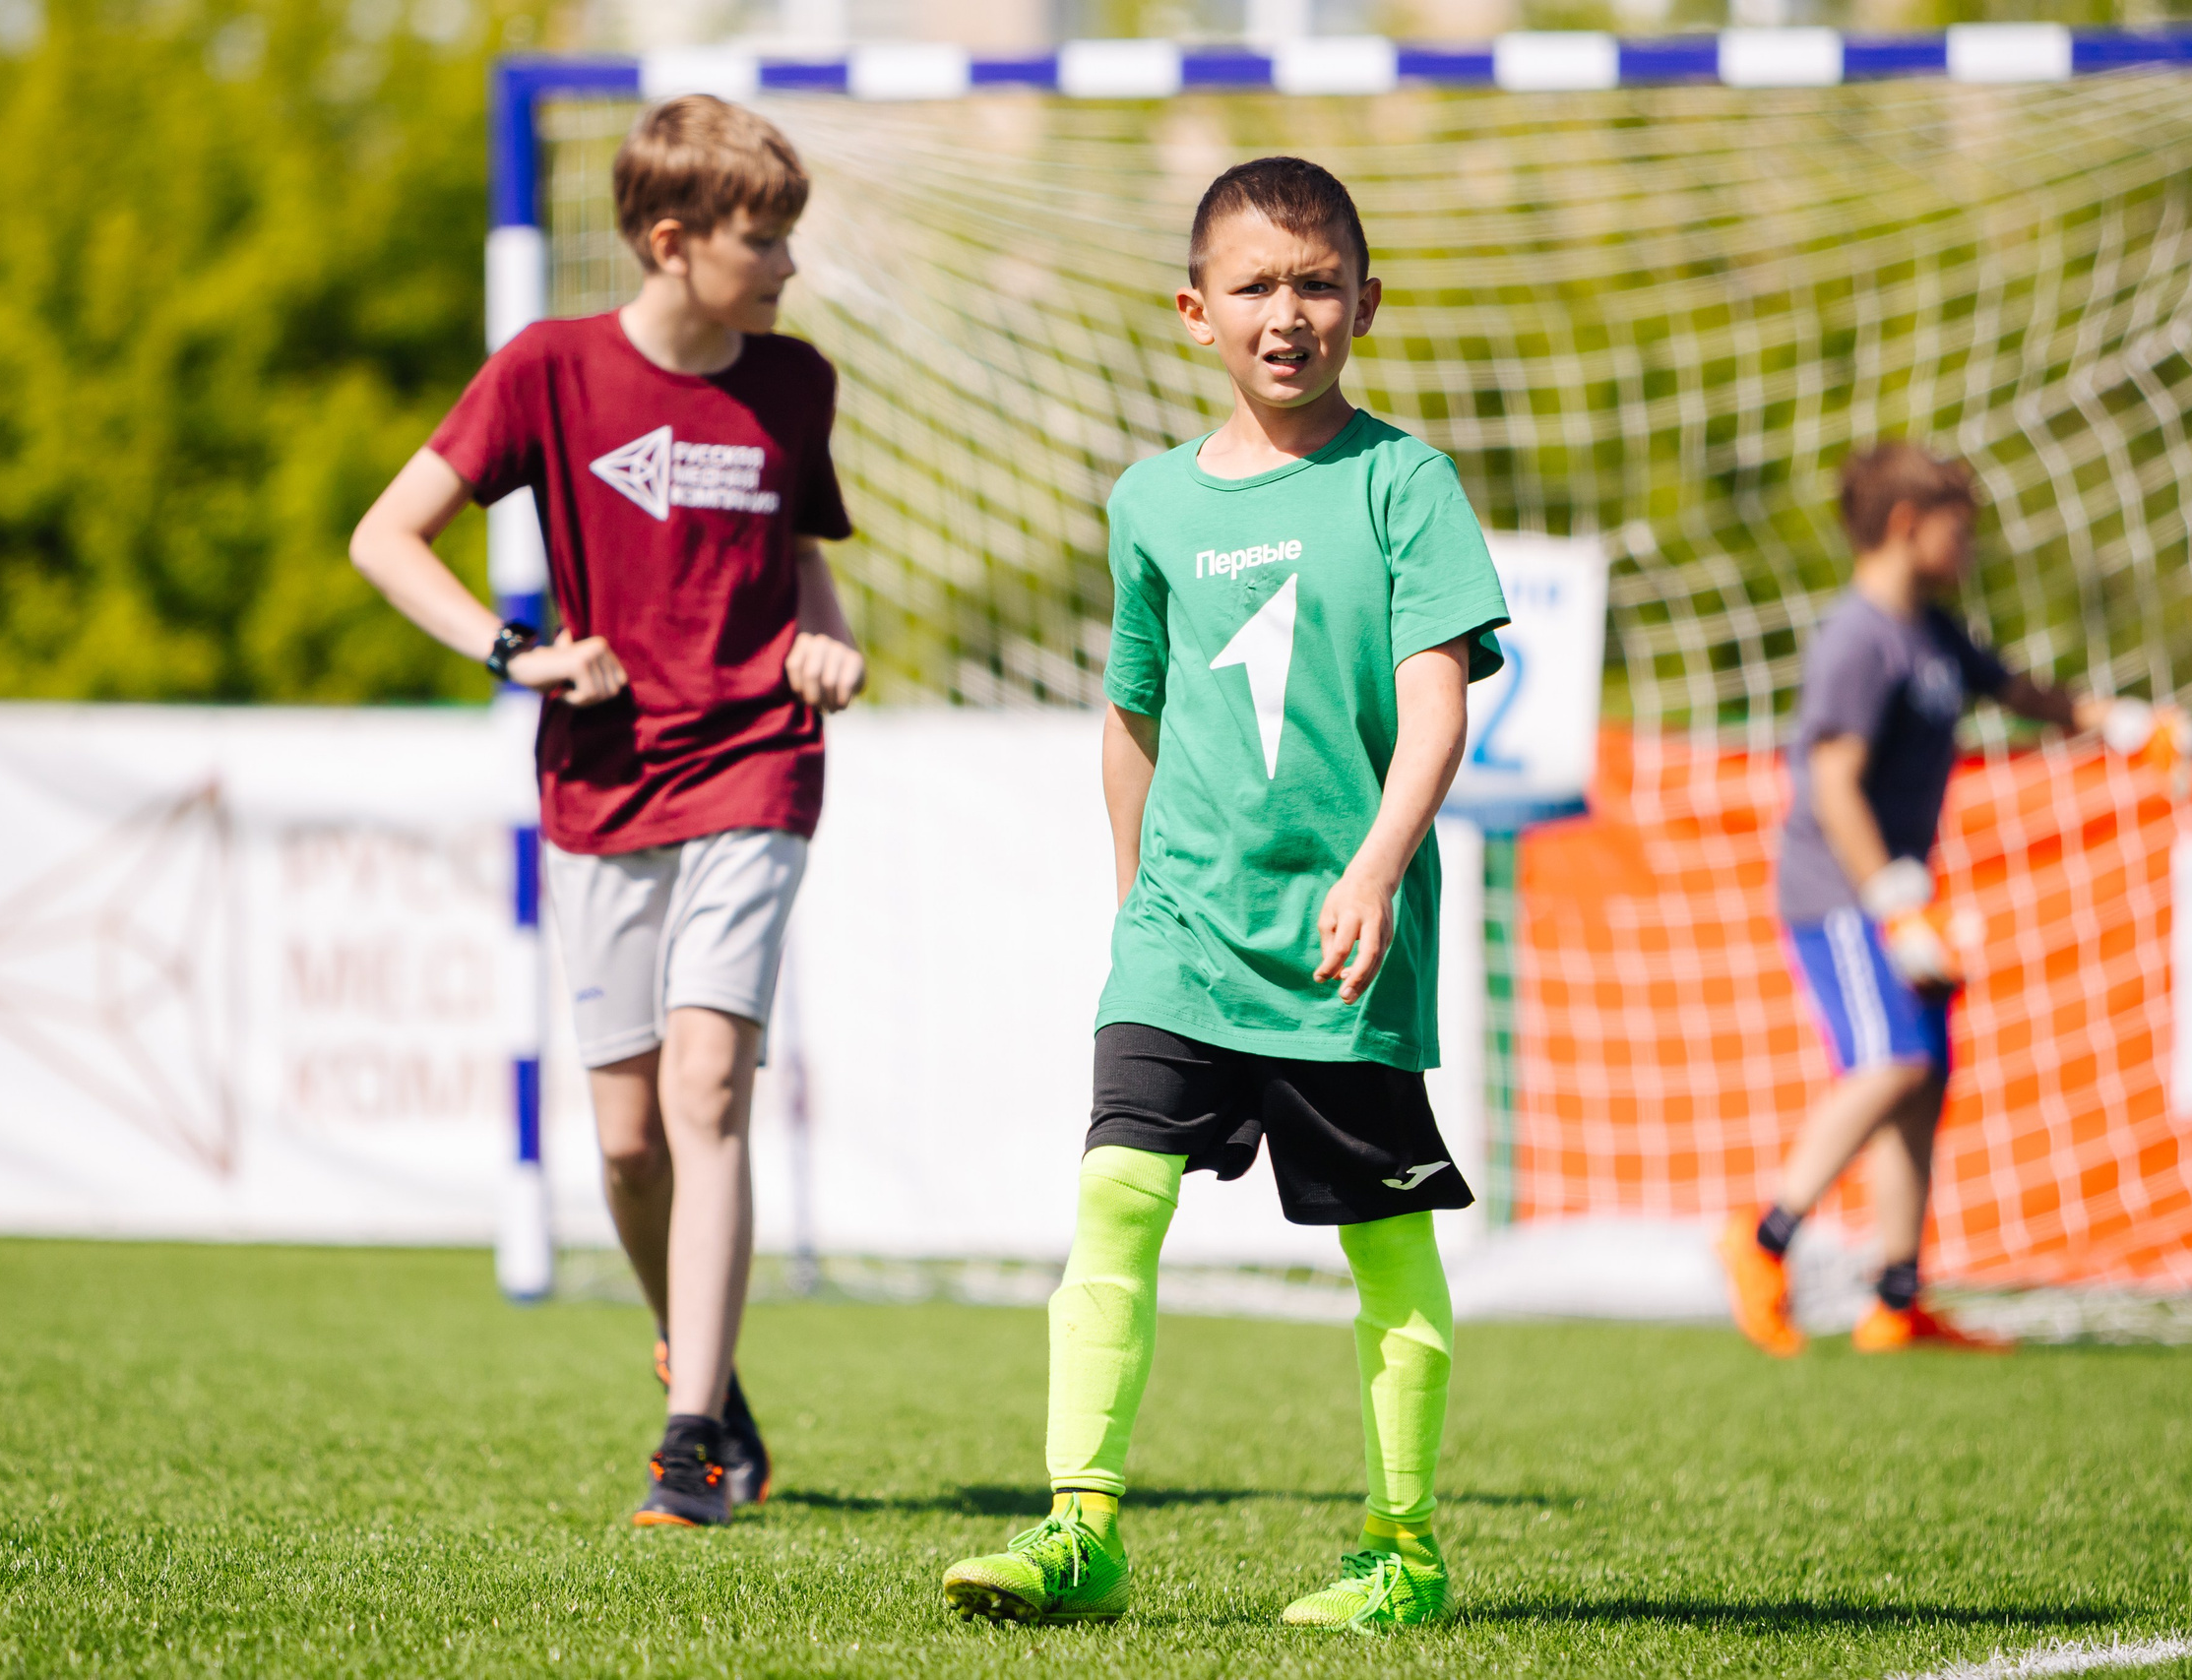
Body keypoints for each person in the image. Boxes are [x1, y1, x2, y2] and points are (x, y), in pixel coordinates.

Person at [938, 157, 1509, 1633]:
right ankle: (1080, 1527)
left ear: (1366, 303)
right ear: (1194, 312)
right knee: (1114, 1199)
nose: (1288, 312)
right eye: (1254, 284)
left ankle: (1403, 1547)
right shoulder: (1150, 504)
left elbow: (1437, 701)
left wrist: (1377, 864)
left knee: (1386, 1245)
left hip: (1341, 947)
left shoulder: (1404, 481)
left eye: (1318, 283)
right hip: (1181, 939)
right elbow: (1134, 714)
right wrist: (1137, 905)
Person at [348, 95, 864, 1525]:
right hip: (599, 779)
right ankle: (704, 1364)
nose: (785, 268)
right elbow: (383, 535)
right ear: (670, 239)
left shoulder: (795, 384)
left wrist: (825, 646)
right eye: (765, 242)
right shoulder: (546, 370)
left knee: (709, 1085)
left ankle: (690, 1442)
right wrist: (511, 652)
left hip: (758, 761)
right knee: (627, 1138)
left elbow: (802, 561)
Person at [1718, 442, 2121, 1355]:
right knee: (1891, 1061)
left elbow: (2017, 691)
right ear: (1907, 525)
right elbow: (1831, 778)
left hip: (1902, 897)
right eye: (1959, 528)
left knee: (1923, 1082)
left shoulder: (1934, 632)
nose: (1970, 548)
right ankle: (1761, 1238)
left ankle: (1898, 1299)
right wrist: (1893, 898)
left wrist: (2120, 721)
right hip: (1844, 893)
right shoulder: (1858, 638)